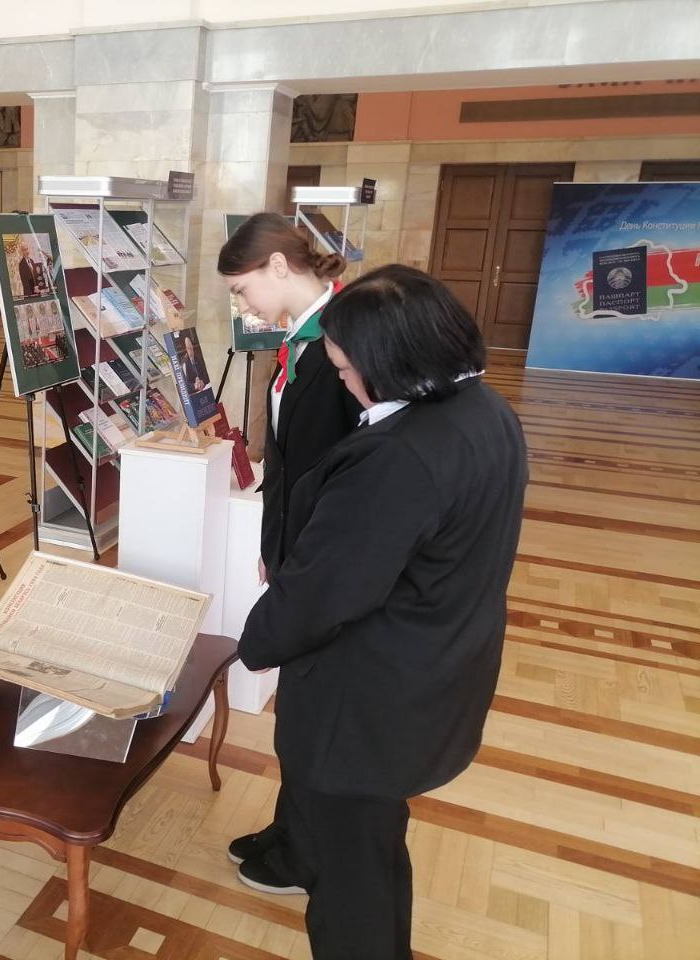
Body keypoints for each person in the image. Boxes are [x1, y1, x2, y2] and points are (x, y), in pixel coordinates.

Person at [236, 264, 528, 959]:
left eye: (343, 369)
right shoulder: (486, 412)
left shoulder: (398, 458)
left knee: (355, 879)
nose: (340, 381)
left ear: (387, 362)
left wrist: (253, 643)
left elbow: (325, 593)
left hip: (369, 701)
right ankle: (301, 859)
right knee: (366, 839)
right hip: (438, 664)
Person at [217, 212, 359, 871]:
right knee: (298, 707)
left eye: (241, 288)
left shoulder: (347, 340)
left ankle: (307, 849)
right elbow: (286, 458)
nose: (241, 304)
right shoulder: (301, 339)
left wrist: (305, 557)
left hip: (327, 560)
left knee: (315, 710)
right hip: (297, 549)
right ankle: (290, 829)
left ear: (278, 266)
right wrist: (273, 544)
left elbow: (349, 471)